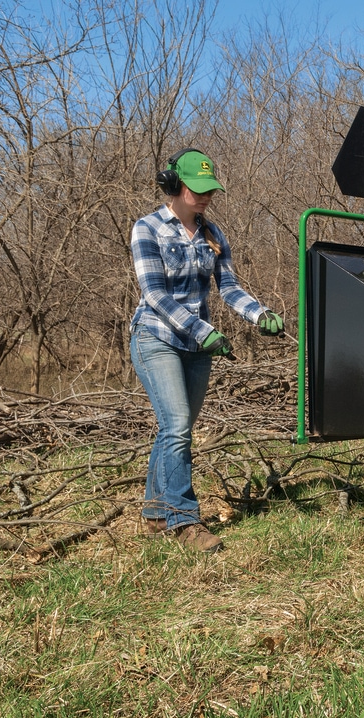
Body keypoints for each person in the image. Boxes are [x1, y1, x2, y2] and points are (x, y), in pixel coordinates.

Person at [129, 148, 283, 553]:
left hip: (197, 345)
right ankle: (185, 522)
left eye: (209, 189)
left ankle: (154, 513)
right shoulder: (147, 229)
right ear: (173, 186)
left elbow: (228, 288)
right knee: (177, 425)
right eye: (196, 189)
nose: (205, 196)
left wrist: (260, 313)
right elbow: (155, 294)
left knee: (174, 430)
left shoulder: (213, 235)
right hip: (155, 337)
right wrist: (204, 330)